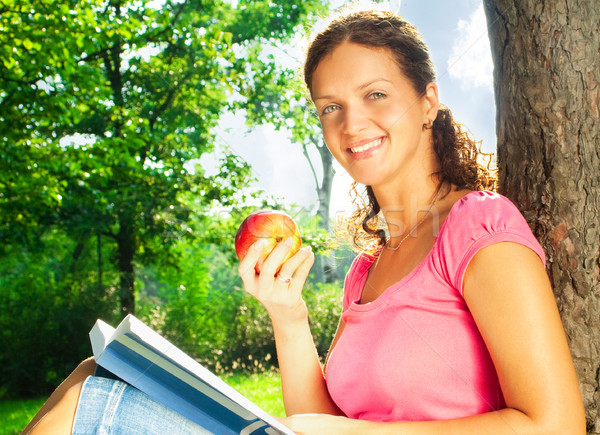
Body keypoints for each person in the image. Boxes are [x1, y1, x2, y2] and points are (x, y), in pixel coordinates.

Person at [24, 8, 585, 435]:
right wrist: (287, 314)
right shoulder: (367, 269)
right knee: (91, 372)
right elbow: (318, 420)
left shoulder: (479, 226)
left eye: (376, 94)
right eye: (331, 106)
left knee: (83, 408)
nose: (352, 122)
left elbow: (556, 425)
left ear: (428, 101)